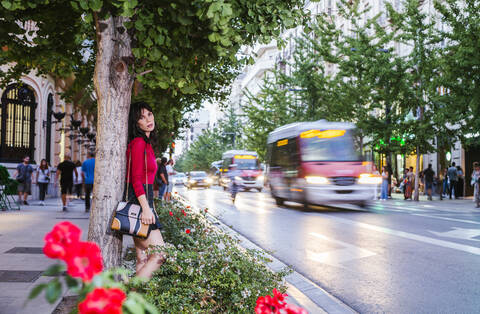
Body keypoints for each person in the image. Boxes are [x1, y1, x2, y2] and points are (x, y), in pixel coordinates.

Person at [126, 101, 165, 279]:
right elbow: (136, 179)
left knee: (142, 257)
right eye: (141, 117)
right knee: (159, 255)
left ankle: (133, 304)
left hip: (145, 203)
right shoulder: (139, 143)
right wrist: (146, 208)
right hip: (140, 204)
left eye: (149, 114)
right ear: (136, 123)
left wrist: (152, 207)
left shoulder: (146, 144)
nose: (148, 119)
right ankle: (129, 297)